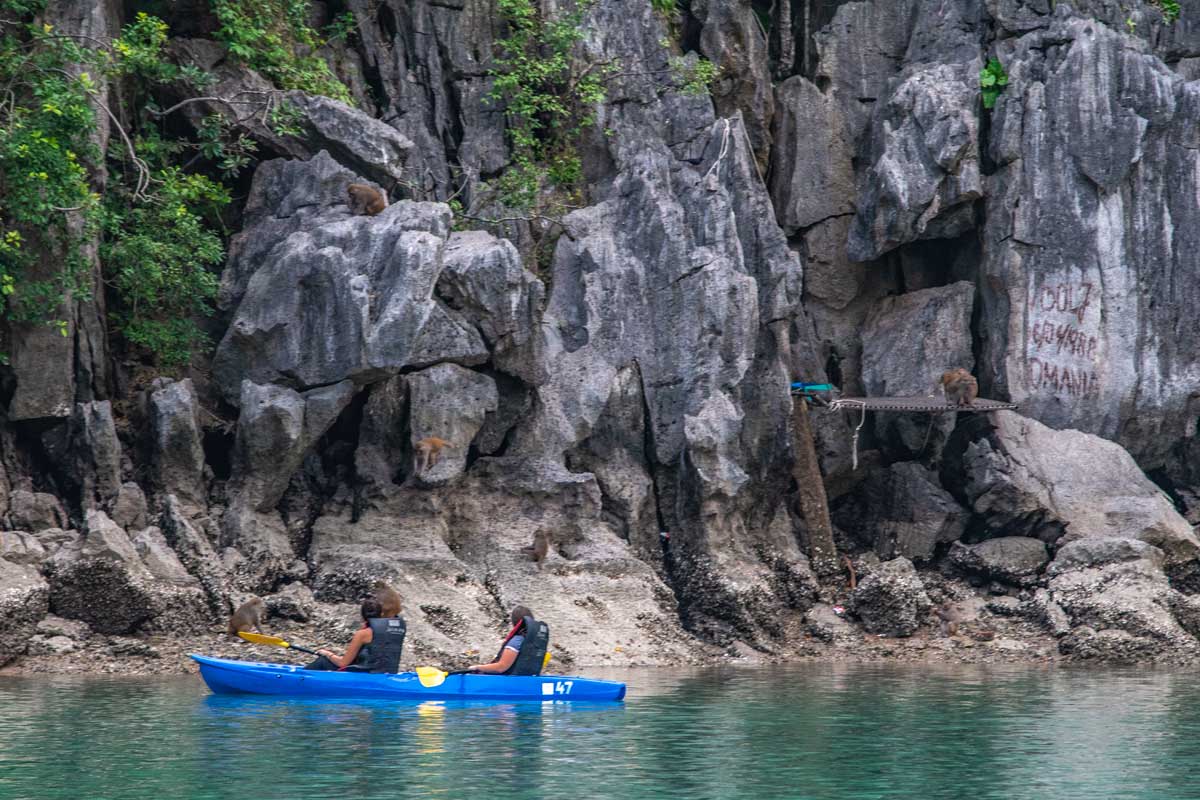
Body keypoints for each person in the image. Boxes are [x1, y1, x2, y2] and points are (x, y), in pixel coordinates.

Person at [305, 598, 407, 673]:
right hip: (386, 674)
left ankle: (299, 679)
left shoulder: (362, 634)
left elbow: (343, 663)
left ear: (362, 616)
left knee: (322, 661)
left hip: (365, 675)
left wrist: (327, 654)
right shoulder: (395, 630)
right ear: (381, 614)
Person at [468, 605, 549, 676]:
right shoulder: (535, 642)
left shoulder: (516, 641)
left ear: (514, 622)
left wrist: (477, 667)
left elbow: (501, 667)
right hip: (527, 679)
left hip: (509, 683)